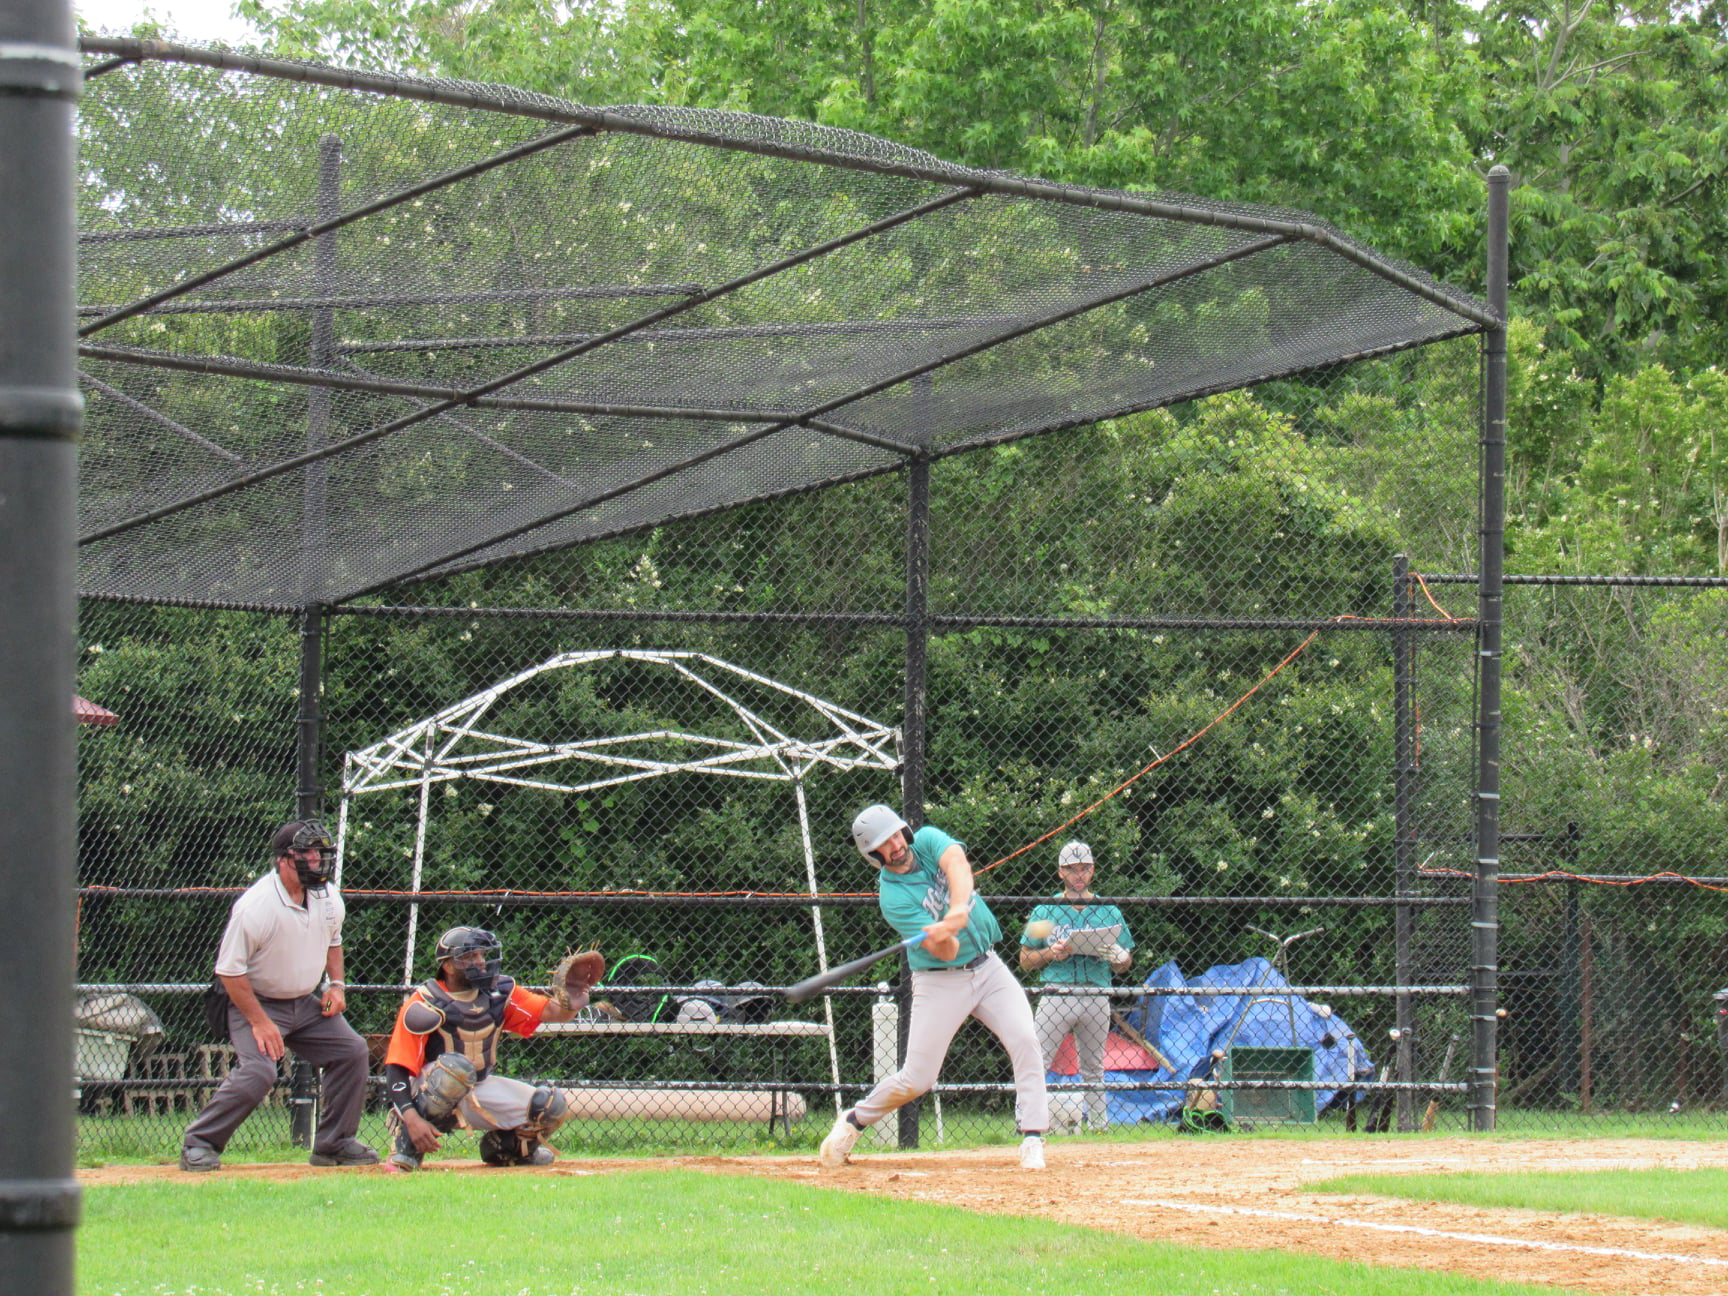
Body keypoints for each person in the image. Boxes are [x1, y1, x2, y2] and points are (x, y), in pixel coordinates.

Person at [820, 804, 1049, 1170]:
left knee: (1024, 1038)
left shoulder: (925, 841)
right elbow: (948, 951)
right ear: (872, 854)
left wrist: (957, 908)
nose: (895, 845)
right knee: (918, 1078)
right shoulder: (893, 898)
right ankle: (854, 1121)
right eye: (884, 843)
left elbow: (957, 862)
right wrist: (942, 934)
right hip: (940, 981)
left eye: (896, 834)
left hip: (989, 967)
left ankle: (1033, 1137)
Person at [180, 819, 376, 1171]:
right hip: (254, 1001)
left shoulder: (327, 896)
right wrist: (260, 1022)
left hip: (303, 1001)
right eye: (306, 852)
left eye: (320, 852)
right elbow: (229, 971)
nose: (316, 859)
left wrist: (336, 985)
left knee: (352, 1051)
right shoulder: (257, 906)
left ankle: (334, 1143)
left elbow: (334, 941)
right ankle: (199, 1142)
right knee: (259, 1073)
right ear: (284, 859)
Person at [381, 925, 589, 1171]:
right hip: (429, 1090)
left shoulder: (499, 992)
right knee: (454, 1072)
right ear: (448, 966)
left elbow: (551, 1012)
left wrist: (571, 1001)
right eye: (470, 957)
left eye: (481, 954)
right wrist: (410, 1116)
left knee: (550, 1105)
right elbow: (397, 1068)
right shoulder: (425, 1003)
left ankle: (506, 1150)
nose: (480, 962)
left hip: (478, 1086)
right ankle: (407, 1148)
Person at [1020, 840, 1136, 1133]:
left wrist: (1118, 958)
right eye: (1072, 870)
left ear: (1093, 870)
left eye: (1084, 868)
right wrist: (1051, 953)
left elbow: (1125, 960)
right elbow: (1025, 959)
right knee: (1038, 1060)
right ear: (1061, 872)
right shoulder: (1046, 910)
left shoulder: (1108, 911)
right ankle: (1025, 1122)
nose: (1079, 875)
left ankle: (1099, 1126)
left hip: (1096, 990)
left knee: (1094, 1066)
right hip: (1057, 990)